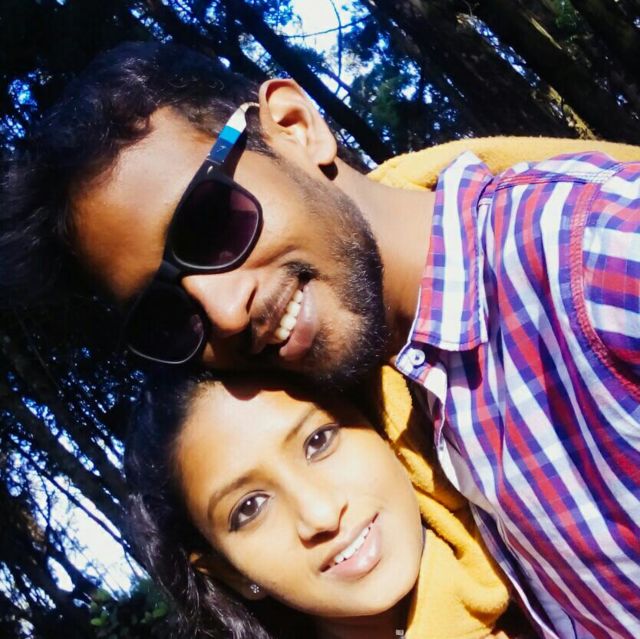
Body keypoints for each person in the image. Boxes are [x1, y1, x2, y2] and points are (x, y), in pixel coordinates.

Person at [3, 41, 639, 637]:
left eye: (210, 224)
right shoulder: (404, 398)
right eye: (165, 310)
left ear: (296, 126)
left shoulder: (598, 257)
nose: (225, 311)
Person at [126, 365, 520, 638]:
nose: (321, 514)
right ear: (231, 572)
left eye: (318, 442)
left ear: (381, 422)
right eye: (249, 508)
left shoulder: (534, 534)